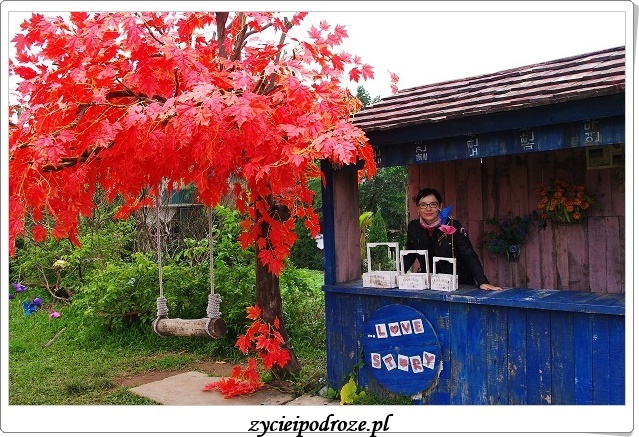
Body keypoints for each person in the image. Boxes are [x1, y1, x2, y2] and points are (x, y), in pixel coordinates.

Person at [405, 188, 502, 291]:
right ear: (418, 208)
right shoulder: (413, 227)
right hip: (430, 284)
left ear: (440, 206)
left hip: (458, 284)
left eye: (433, 204)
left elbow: (468, 254)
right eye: (423, 205)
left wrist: (482, 281)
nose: (428, 209)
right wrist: (397, 275)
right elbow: (410, 254)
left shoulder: (452, 225)